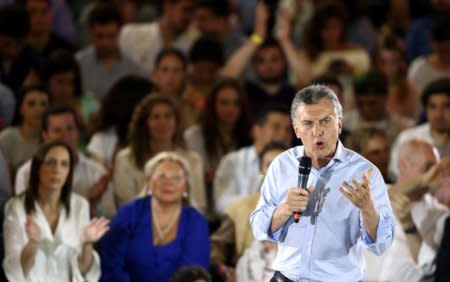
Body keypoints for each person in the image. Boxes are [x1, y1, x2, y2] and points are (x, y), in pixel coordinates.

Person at [250, 85, 395, 281]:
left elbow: (381, 245)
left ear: (340, 125)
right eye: (308, 123)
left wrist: (367, 208)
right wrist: (285, 209)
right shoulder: (281, 165)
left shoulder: (365, 174)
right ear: (297, 130)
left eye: (325, 121)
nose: (317, 131)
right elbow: (259, 229)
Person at [3, 140, 109, 281]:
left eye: (64, 164)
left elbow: (84, 273)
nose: (57, 170)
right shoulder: (16, 207)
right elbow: (16, 272)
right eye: (51, 162)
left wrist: (86, 244)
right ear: (37, 168)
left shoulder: (80, 205)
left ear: (69, 172)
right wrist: (33, 243)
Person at [100, 151, 210, 282]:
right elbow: (111, 265)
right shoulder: (128, 213)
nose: (168, 182)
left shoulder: (196, 222)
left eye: (177, 177)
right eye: (161, 176)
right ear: (149, 183)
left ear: (186, 187)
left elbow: (194, 274)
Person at [365, 139, 450, 281]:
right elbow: (383, 195)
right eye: (428, 168)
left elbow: (429, 267)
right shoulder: (378, 192)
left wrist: (409, 225)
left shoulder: (440, 214)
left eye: (437, 170)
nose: (434, 176)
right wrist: (423, 180)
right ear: (403, 165)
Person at [113, 95, 206, 213]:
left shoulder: (193, 160)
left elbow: (198, 205)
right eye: (155, 117)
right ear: (144, 123)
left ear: (177, 122)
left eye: (168, 116)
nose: (163, 122)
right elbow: (127, 205)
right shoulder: (125, 159)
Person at [15, 105, 112, 216]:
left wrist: (93, 205)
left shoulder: (98, 173)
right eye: (57, 130)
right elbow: (23, 216)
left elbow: (108, 219)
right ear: (45, 136)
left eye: (70, 129)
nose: (65, 136)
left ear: (77, 132)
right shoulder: (26, 172)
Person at [213, 105, 292, 216]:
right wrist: (260, 203)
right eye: (276, 127)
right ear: (257, 130)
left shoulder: (294, 164)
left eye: (288, 130)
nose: (283, 134)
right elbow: (221, 204)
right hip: (241, 227)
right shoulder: (233, 161)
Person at [75, 3, 142, 100]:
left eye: (110, 36)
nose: (105, 42)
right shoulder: (78, 64)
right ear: (91, 33)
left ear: (119, 33)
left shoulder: (132, 69)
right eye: (99, 36)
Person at [390, 78, 450, 180]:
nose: (439, 114)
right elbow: (395, 173)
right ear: (425, 109)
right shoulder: (408, 138)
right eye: (433, 107)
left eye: (446, 106)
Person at [0, 84, 49, 183]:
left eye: (43, 104)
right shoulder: (7, 138)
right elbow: (6, 184)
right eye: (31, 104)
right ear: (20, 109)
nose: (38, 109)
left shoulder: (53, 137)